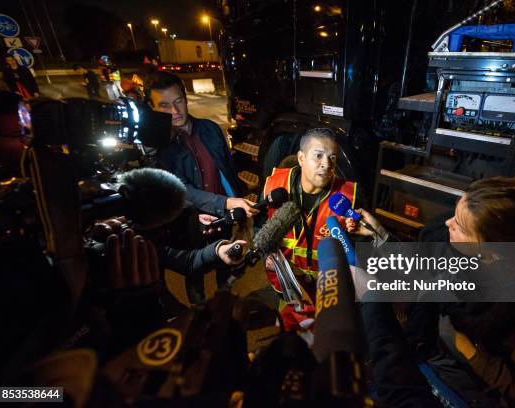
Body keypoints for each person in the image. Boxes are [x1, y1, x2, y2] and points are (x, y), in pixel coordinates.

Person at [347, 177, 515, 407]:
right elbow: (424, 271)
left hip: (460, 390)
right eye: (455, 213)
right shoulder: (458, 247)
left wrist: (469, 351)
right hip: (426, 352)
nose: (448, 223)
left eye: (460, 225)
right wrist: (380, 235)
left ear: (492, 251)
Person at [144, 71, 256, 304]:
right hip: (189, 223)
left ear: (186, 98)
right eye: (164, 106)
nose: (175, 112)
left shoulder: (210, 129)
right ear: (152, 108)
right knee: (194, 270)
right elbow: (179, 189)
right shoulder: (158, 148)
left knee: (226, 263)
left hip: (222, 216)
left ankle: (224, 304)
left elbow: (227, 170)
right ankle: (199, 312)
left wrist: (237, 207)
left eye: (178, 101)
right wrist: (224, 203)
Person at [260, 128, 359, 332]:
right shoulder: (274, 187)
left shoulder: (347, 197)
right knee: (290, 342)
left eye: (333, 157)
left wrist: (357, 233)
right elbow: (261, 226)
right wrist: (266, 255)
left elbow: (358, 257)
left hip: (326, 294)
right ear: (301, 158)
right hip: (288, 288)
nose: (327, 164)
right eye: (319, 155)